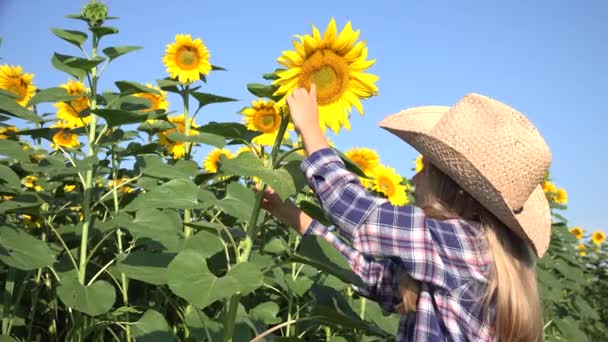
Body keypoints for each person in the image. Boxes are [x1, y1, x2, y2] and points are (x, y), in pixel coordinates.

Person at [260, 84, 552, 341]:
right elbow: (374, 277)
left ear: (454, 188)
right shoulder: (479, 257)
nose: (414, 178)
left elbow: (360, 213)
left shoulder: (458, 243)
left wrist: (310, 129)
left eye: (424, 168)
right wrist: (296, 218)